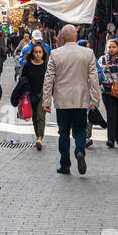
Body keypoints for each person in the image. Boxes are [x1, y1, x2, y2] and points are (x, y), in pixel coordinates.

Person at [42, 25, 100, 175]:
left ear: (62, 37)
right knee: (80, 129)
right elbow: (93, 78)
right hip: (81, 99)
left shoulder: (55, 54)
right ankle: (80, 151)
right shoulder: (88, 53)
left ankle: (65, 164)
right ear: (76, 36)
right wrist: (95, 99)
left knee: (63, 132)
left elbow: (48, 79)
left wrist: (46, 101)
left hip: (62, 101)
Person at [98, 37, 118, 147]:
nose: (111, 49)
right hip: (107, 92)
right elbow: (98, 73)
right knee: (111, 114)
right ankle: (110, 138)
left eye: (113, 47)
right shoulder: (102, 59)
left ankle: (117, 135)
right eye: (109, 47)